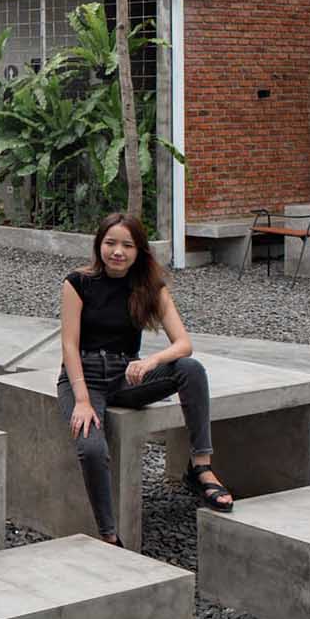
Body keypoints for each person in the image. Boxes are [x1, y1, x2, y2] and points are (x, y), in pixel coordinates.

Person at [58, 211, 231, 545]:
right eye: (110, 243)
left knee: (191, 370)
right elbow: (69, 345)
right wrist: (81, 400)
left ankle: (200, 467)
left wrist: (152, 360)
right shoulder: (77, 283)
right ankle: (109, 536)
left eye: (127, 245)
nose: (117, 252)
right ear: (99, 245)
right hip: (84, 379)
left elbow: (184, 345)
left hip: (126, 377)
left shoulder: (149, 287)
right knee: (92, 448)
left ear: (139, 251)